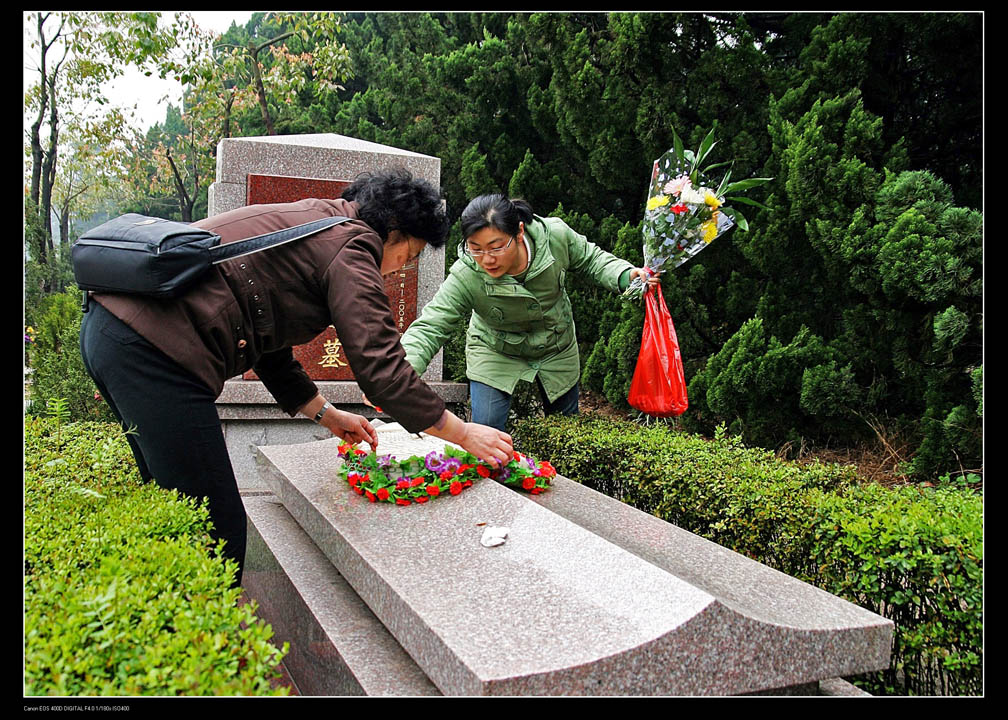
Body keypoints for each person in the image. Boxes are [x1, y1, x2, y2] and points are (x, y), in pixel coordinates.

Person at [79, 169, 513, 585]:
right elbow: (381, 368)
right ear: (393, 231)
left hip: (113, 332)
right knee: (215, 528)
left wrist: (326, 415)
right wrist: (460, 434)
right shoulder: (354, 242)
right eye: (409, 256)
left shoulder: (321, 219)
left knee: (173, 507)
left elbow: (267, 344)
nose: (400, 269)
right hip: (154, 353)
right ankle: (200, 652)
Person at [395, 193, 659, 432]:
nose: (487, 259)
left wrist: (626, 276)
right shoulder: (467, 274)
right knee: (486, 431)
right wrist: (398, 373)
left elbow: (592, 259)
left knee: (566, 432)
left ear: (519, 232)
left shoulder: (555, 237)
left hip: (556, 346)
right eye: (476, 248)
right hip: (494, 350)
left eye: (496, 246)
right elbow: (432, 324)